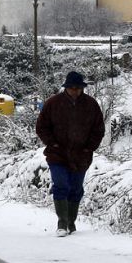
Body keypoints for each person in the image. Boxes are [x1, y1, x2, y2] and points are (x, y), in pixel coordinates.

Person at [35, 71, 105, 237]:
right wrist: (52, 142)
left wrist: (89, 147)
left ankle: (71, 222)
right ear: (66, 87)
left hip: (81, 155)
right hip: (57, 154)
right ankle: (62, 222)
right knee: (61, 184)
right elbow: (41, 127)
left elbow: (98, 129)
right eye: (72, 88)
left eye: (78, 88)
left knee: (76, 188)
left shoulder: (91, 104)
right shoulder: (53, 103)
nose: (75, 91)